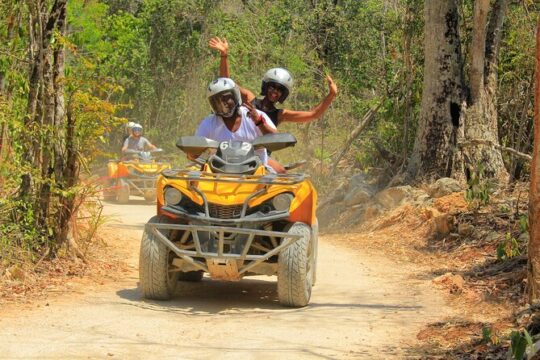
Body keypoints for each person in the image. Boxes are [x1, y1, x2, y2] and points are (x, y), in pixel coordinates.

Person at [208, 36, 338, 128]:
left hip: (259, 156)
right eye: (272, 87)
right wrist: (224, 55)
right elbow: (226, 84)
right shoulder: (249, 98)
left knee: (280, 169)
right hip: (236, 148)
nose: (275, 91)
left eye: (280, 89)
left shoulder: (280, 115)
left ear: (284, 94)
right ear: (266, 87)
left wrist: (331, 95)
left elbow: (313, 115)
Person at [192, 77, 285, 173]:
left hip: (257, 174)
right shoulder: (209, 123)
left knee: (284, 185)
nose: (223, 104)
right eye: (217, 101)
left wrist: (259, 122)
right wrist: (192, 150)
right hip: (219, 175)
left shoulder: (256, 115)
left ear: (235, 95)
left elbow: (276, 138)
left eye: (226, 98)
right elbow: (192, 154)